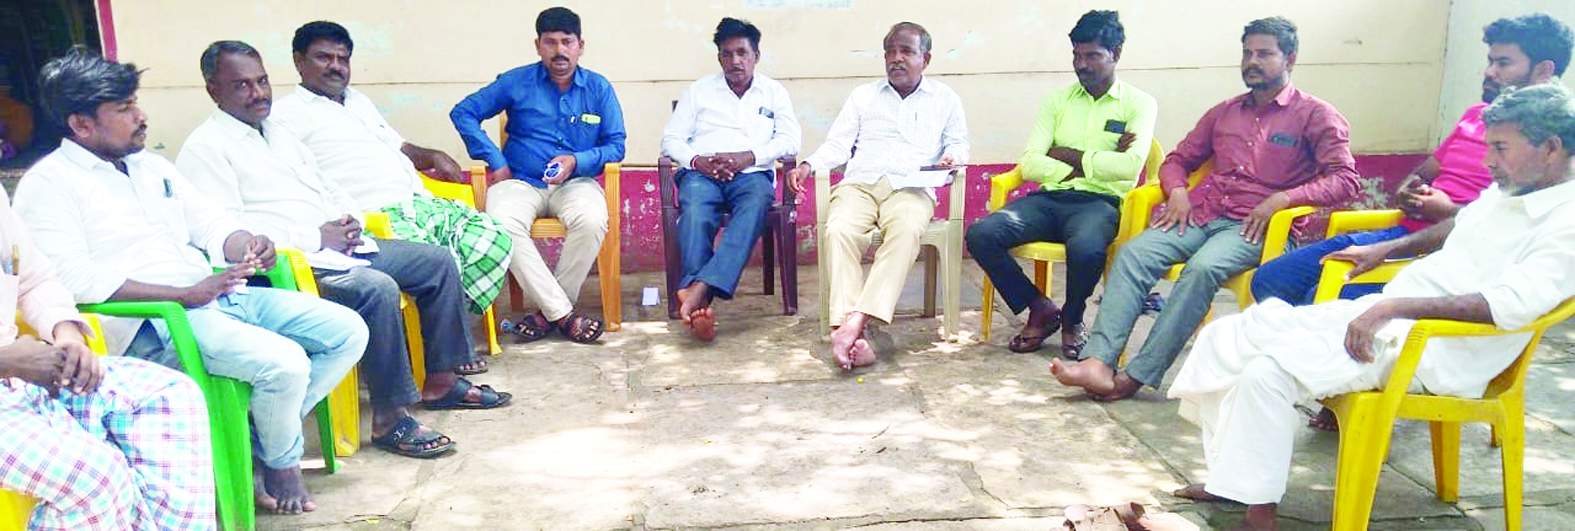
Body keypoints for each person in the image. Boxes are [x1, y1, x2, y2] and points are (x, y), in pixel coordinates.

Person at [1166, 83, 1575, 531]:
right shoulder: (1512, 188)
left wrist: (1392, 308)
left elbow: (1509, 305)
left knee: (1269, 371)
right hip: (1395, 319)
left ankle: (1258, 511)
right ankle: (1233, 481)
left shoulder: (1566, 222)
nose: (1487, 160)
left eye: (1500, 147)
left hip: (1439, 348)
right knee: (1228, 336)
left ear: (1551, 148)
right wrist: (1388, 250)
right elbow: (1460, 224)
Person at [14, 48, 366, 515]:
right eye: (124, 109)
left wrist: (246, 243)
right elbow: (73, 279)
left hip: (216, 295)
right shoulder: (49, 185)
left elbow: (212, 225)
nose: (141, 117)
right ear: (81, 124)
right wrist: (182, 296)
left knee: (347, 332)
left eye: (135, 103)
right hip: (158, 322)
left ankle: (257, 438)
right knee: (284, 364)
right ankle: (281, 463)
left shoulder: (151, 166)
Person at [179, 42, 513, 458]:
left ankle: (441, 381)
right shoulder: (206, 148)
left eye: (262, 81)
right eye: (242, 85)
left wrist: (348, 218)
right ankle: (390, 418)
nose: (258, 93)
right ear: (213, 90)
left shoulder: (277, 132)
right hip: (290, 264)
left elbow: (327, 186)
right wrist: (315, 236)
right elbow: (227, 233)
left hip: (338, 247)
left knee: (436, 262)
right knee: (375, 288)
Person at [1050, 17, 1359, 401]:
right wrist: (1178, 191)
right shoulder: (1225, 112)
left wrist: (1283, 199)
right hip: (1203, 213)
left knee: (1201, 270)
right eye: (1247, 53)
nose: (1252, 61)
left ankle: (1136, 376)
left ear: (1290, 59)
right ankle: (1098, 362)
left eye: (1264, 54)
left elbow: (1346, 179)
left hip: (1259, 227)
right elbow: (1178, 160)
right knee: (1133, 254)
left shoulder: (1315, 115)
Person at [1251, 13, 1572, 307]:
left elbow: (1504, 224)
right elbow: (1424, 173)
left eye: (1503, 63)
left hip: (1449, 254)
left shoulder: (1543, 149)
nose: (1490, 72)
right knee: (1271, 280)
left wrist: (1448, 210)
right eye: (1490, 61)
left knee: (1318, 300)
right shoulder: (1477, 115)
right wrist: (1408, 191)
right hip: (1405, 231)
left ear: (1543, 70)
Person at [272, 21, 511, 374]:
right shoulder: (285, 116)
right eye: (324, 57)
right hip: (374, 215)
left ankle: (439, 334)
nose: (336, 66)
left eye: (342, 58)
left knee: (493, 237)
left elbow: (399, 145)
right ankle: (444, 351)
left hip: (419, 202)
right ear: (298, 61)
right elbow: (294, 180)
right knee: (439, 259)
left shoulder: (358, 101)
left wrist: (432, 155)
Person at [0, 190, 215, 529]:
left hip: (17, 381)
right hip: (10, 370)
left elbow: (34, 281)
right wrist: (7, 360)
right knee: (96, 477)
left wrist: (67, 336)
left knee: (170, 396)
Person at [965, 10, 1156, 358]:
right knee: (982, 234)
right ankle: (1040, 308)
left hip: (1099, 204)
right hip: (1050, 199)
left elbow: (1129, 167)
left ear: (1116, 53)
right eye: (1076, 55)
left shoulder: (1139, 104)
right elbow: (1031, 162)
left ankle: (1072, 318)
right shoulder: (1058, 100)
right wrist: (1094, 163)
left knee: (1087, 249)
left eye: (1092, 56)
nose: (1081, 65)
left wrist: (1067, 154)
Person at [786, 21, 969, 370]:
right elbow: (838, 144)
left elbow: (958, 144)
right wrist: (809, 165)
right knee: (839, 230)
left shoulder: (945, 99)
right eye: (890, 52)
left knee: (906, 231)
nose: (896, 58)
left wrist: (951, 157)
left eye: (906, 51)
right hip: (860, 185)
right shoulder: (863, 96)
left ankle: (852, 324)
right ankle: (852, 334)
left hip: (911, 188)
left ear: (926, 59)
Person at [450, 6, 626, 344]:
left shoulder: (598, 88)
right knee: (500, 225)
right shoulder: (516, 81)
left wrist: (576, 161)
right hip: (520, 181)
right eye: (550, 42)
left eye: (567, 42)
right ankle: (564, 315)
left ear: (580, 46)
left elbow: (616, 146)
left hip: (576, 183)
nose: (559, 50)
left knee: (592, 220)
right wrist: (495, 159)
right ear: (538, 45)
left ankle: (548, 314)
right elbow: (464, 112)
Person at [660, 17, 801, 341]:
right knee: (695, 211)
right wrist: (697, 161)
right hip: (702, 173)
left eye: (742, 53)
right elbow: (671, 140)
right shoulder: (698, 91)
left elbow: (791, 140)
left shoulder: (774, 92)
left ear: (756, 56)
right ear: (719, 57)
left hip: (751, 174)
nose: (735, 61)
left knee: (755, 205)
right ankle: (700, 300)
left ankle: (697, 290)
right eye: (727, 54)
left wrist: (748, 157)